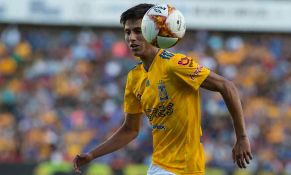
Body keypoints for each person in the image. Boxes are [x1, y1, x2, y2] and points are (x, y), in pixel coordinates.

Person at [73, 3, 252, 175]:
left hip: (186, 166)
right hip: (159, 166)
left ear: (153, 30)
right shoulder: (134, 78)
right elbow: (130, 130)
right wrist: (92, 155)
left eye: (138, 31)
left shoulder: (173, 64)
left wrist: (242, 137)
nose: (131, 38)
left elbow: (226, 86)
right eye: (127, 32)